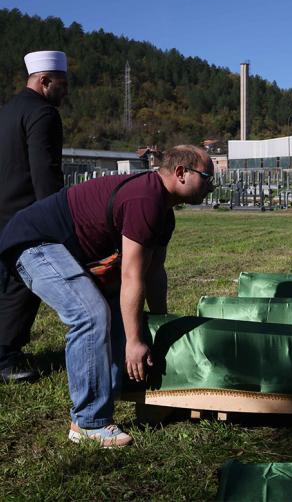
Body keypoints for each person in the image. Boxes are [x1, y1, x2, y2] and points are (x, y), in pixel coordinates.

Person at [0, 145, 215, 446]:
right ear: (181, 173)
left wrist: (157, 326)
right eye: (207, 178)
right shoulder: (146, 200)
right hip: (34, 242)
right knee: (90, 314)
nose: (211, 186)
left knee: (117, 311)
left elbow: (154, 273)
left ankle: (117, 389)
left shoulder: (164, 214)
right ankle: (88, 423)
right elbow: (131, 275)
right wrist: (135, 341)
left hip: (60, 247)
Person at [0, 51, 68, 382]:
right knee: (21, 287)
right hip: (24, 215)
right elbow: (45, 172)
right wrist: (57, 217)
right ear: (44, 81)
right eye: (61, 84)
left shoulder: (7, 110)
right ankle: (5, 358)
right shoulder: (43, 114)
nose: (65, 92)